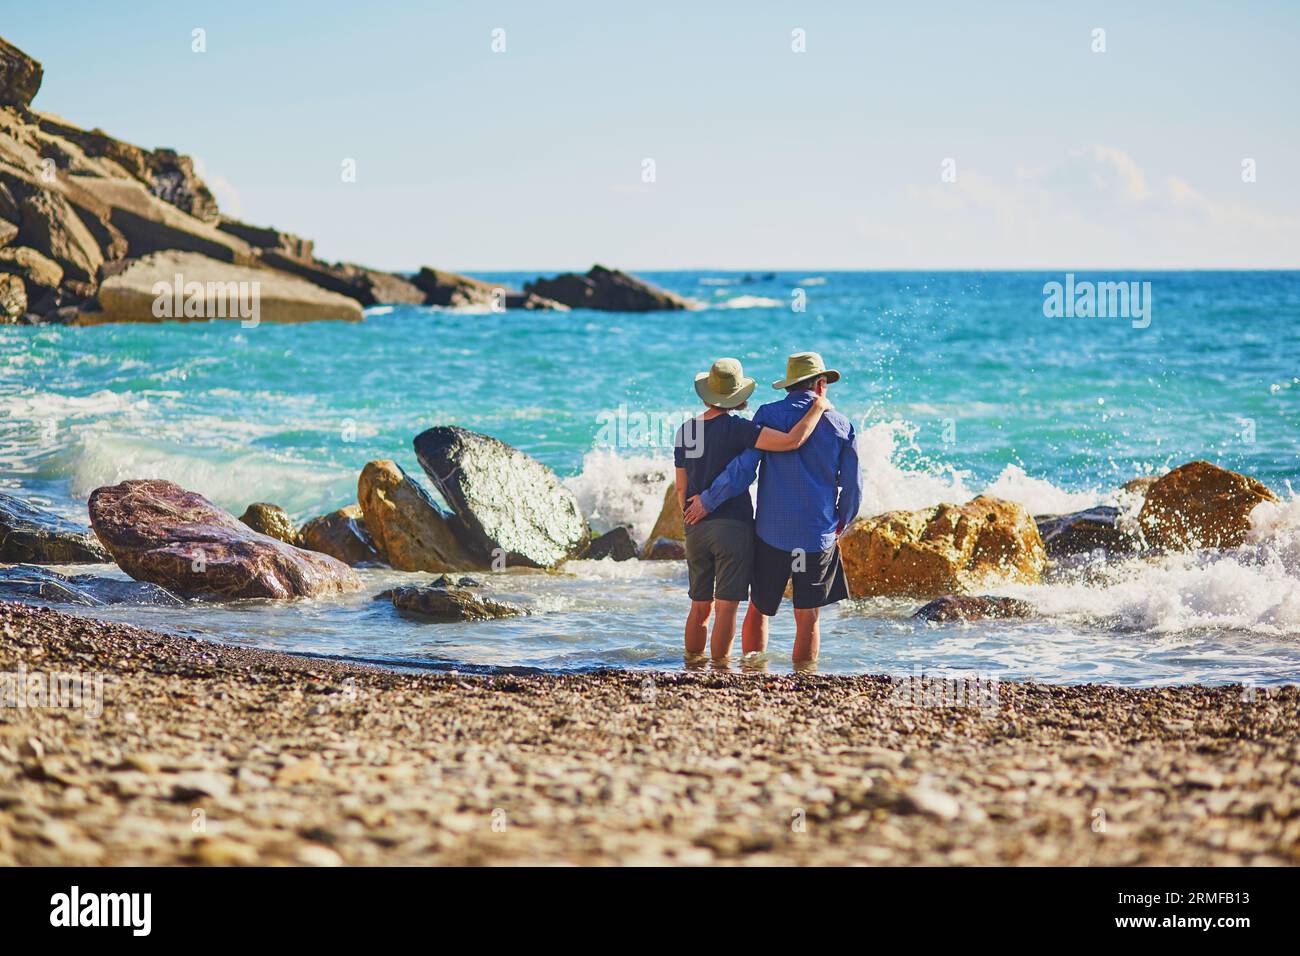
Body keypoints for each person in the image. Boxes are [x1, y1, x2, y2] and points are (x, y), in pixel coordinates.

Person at [684, 351, 861, 665]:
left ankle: (753, 673)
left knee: (759, 609)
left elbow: (743, 470)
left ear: (790, 385)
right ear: (821, 385)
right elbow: (852, 487)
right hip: (814, 537)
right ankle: (804, 680)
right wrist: (840, 523)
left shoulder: (768, 414)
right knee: (808, 618)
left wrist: (708, 500)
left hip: (770, 535)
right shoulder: (842, 425)